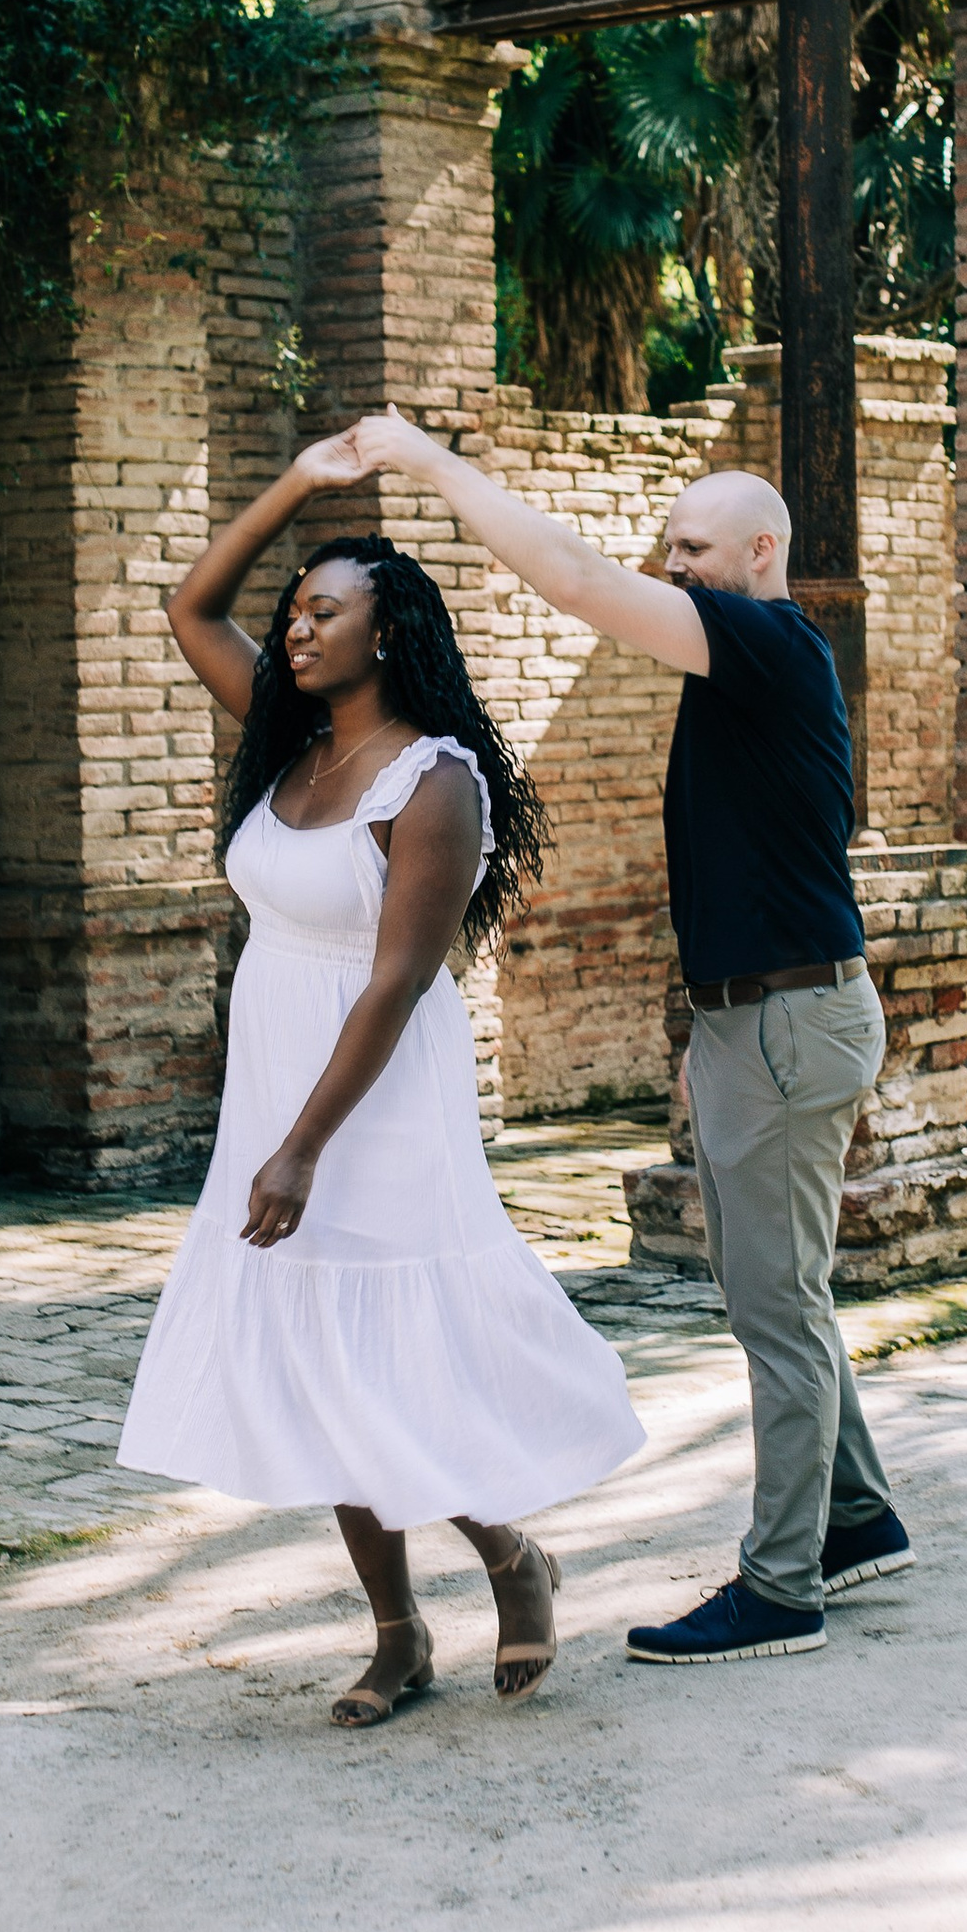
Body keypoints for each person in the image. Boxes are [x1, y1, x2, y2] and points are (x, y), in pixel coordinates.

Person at [346, 413, 914, 1672]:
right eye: (669, 546)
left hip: (783, 1023)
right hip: (758, 1019)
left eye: (695, 548)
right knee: (781, 1293)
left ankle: (781, 1589)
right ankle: (857, 1520)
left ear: (761, 551)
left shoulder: (766, 641)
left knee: (775, 1311)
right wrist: (709, 1033)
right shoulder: (747, 665)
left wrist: (430, 464)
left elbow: (575, 580)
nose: (674, 566)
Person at [117, 430, 643, 1726]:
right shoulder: (288, 743)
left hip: (378, 1094)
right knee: (315, 1355)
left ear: (390, 632)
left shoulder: (433, 781)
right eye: (294, 612)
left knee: (389, 1359)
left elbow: (400, 981)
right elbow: (190, 606)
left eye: (325, 612)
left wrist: (302, 1146)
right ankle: (398, 1635)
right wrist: (304, 484)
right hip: (277, 1072)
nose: (296, 630)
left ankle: (512, 1560)